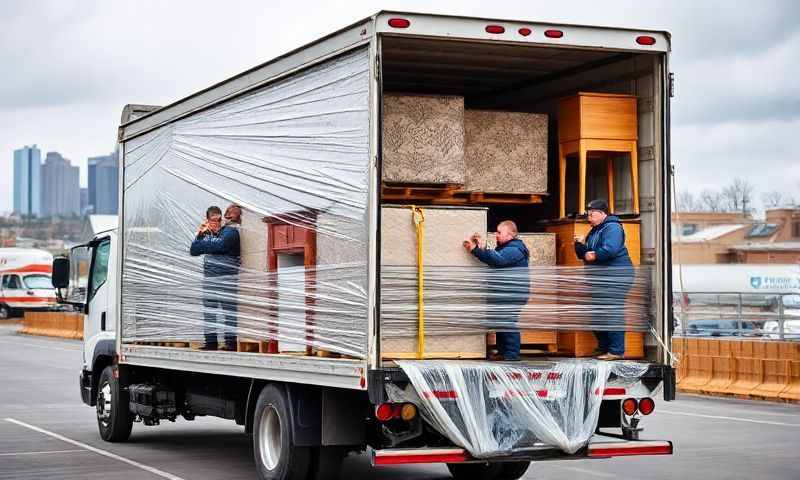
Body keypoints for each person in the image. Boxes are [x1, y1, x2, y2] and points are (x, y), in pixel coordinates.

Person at [573, 199, 634, 360]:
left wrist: (595, 254)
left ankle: (616, 350)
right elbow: (584, 254)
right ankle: (604, 347)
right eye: (588, 214)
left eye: (592, 214)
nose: (589, 217)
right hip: (601, 279)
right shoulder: (594, 231)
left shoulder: (612, 228)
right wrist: (579, 245)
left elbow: (610, 249)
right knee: (597, 313)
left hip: (616, 276)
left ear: (602, 213)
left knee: (612, 312)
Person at [463, 220, 530, 361]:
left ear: (510, 234)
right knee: (500, 321)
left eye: (499, 232)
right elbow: (492, 258)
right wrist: (477, 249)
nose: (496, 234)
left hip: (513, 294)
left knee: (508, 322)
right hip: (505, 292)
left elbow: (498, 260)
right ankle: (503, 353)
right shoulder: (505, 248)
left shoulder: (515, 249)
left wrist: (479, 249)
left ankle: (511, 355)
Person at [190, 205, 241, 350]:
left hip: (227, 278)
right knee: (209, 311)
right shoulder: (206, 234)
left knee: (228, 310)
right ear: (207, 220)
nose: (217, 223)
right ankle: (211, 343)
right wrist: (201, 236)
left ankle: (230, 343)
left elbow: (222, 246)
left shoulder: (230, 232)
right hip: (210, 279)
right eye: (213, 220)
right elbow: (193, 250)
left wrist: (204, 244)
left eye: (219, 220)